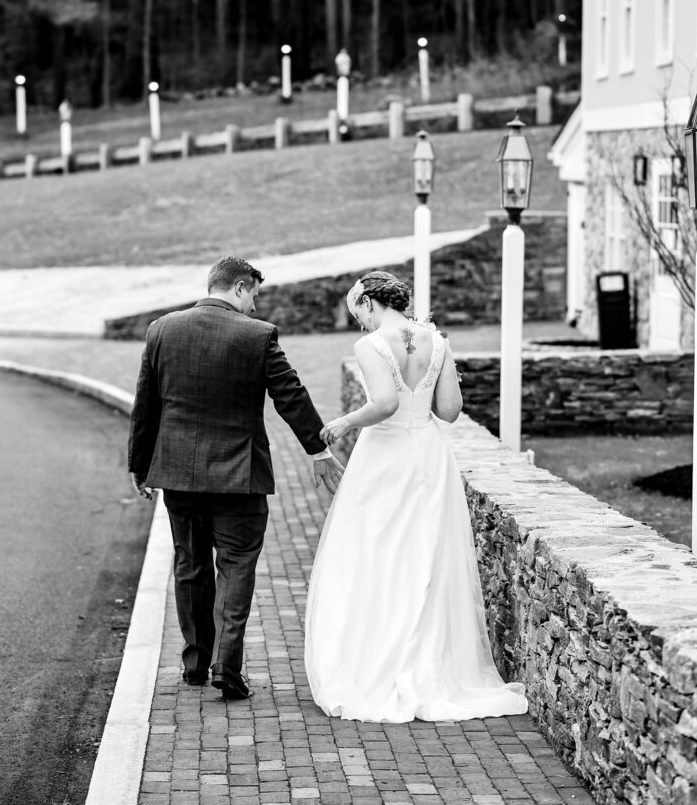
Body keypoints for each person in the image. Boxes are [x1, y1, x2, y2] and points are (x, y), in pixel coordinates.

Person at [304, 270, 528, 722]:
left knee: (379, 553)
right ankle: (428, 662)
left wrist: (345, 423)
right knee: (426, 553)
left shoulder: (371, 346)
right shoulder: (437, 341)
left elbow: (384, 403)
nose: (361, 326)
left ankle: (380, 662)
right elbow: (450, 411)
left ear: (369, 303)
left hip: (385, 458)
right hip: (427, 452)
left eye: (358, 316)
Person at [128, 255, 343, 700]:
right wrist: (318, 449)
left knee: (190, 566)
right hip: (239, 478)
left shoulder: (162, 330)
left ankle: (194, 663)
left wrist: (139, 464)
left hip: (180, 477)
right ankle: (227, 667)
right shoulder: (258, 336)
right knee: (236, 568)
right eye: (254, 297)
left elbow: (145, 404)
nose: (254, 308)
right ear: (241, 288)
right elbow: (291, 396)